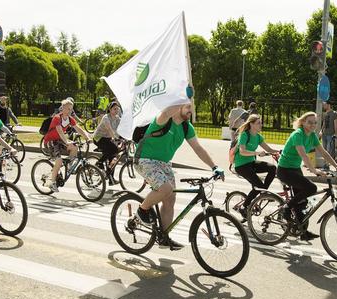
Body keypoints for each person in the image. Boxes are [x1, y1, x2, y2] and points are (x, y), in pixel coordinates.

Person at [135, 102, 221, 249]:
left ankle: (163, 237)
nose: (191, 110)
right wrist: (178, 97)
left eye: (191, 107)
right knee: (165, 189)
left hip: (164, 163)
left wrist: (214, 166)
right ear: (178, 107)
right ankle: (142, 210)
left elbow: (198, 148)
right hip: (145, 159)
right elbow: (167, 111)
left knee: (170, 199)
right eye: (187, 107)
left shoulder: (186, 127)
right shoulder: (163, 119)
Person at [276, 111, 337, 240]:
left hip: (295, 169)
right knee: (311, 188)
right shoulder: (298, 134)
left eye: (315, 122)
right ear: (303, 122)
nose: (313, 125)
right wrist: (314, 170)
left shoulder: (312, 135)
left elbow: (324, 152)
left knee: (301, 202)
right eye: (310, 122)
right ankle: (286, 208)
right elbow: (303, 155)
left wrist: (336, 166)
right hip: (285, 170)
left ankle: (303, 233)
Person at [233, 114, 280, 221]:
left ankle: (264, 192)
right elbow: (242, 151)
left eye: (261, 122)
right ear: (251, 124)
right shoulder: (244, 135)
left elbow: (268, 149)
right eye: (258, 123)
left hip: (251, 163)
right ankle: (244, 207)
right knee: (258, 185)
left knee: (272, 168)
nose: (261, 125)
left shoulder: (258, 137)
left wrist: (279, 152)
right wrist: (257, 152)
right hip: (241, 166)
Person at [41, 99, 93, 192]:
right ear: (63, 108)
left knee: (75, 147)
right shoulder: (57, 118)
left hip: (60, 140)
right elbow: (60, 131)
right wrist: (67, 142)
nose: (70, 111)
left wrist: (87, 138)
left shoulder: (70, 119)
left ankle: (69, 166)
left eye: (71, 109)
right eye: (68, 109)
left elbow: (78, 129)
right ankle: (52, 183)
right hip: (51, 141)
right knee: (59, 160)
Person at [93, 101, 122, 181]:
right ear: (110, 109)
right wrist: (116, 138)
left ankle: (111, 178)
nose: (116, 111)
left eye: (117, 109)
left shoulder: (117, 118)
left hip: (107, 138)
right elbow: (109, 129)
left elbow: (123, 128)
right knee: (114, 149)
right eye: (114, 109)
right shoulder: (106, 117)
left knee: (112, 157)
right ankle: (99, 163)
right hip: (98, 138)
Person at [319, 100, 337, 169]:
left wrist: (336, 135)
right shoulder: (325, 113)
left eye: (325, 104)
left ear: (328, 105)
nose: (324, 106)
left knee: (328, 150)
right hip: (324, 134)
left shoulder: (334, 113)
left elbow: (335, 124)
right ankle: (325, 165)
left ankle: (326, 165)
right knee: (324, 150)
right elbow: (324, 124)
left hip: (330, 135)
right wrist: (321, 131)